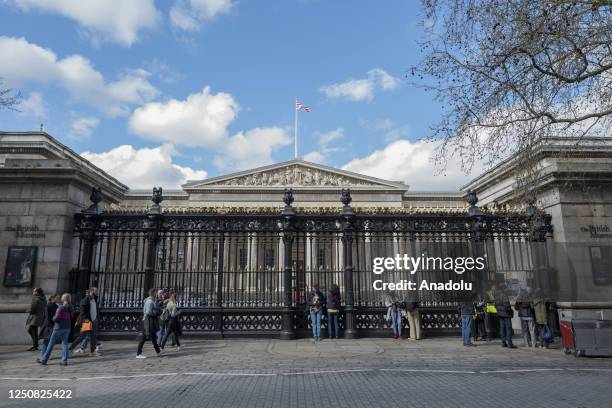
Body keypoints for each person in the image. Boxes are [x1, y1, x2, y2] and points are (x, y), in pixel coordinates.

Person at [38, 293, 74, 366]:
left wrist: (53, 317)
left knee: (51, 344)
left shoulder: (60, 307)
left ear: (63, 299)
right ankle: (64, 361)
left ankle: (44, 359)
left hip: (58, 328)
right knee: (64, 344)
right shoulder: (71, 307)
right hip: (67, 327)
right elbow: (71, 317)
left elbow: (56, 318)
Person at [70, 287, 101, 356]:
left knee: (94, 337)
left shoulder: (95, 299)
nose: (96, 292)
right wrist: (86, 319)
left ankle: (92, 352)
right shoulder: (85, 300)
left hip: (94, 320)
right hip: (87, 321)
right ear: (92, 291)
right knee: (82, 336)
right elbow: (82, 311)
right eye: (95, 291)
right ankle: (70, 349)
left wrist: (96, 318)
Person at [136, 288, 162, 359]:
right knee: (143, 338)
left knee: (153, 337)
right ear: (153, 293)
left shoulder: (152, 301)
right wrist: (156, 312)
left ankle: (158, 351)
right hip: (148, 321)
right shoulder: (149, 301)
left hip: (151, 321)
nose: (157, 294)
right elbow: (148, 312)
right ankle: (138, 353)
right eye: (156, 293)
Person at [494, 283, 517, 348]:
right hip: (506, 314)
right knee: (508, 328)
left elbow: (495, 305)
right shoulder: (504, 295)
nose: (507, 289)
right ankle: (509, 343)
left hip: (500, 314)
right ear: (503, 289)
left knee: (502, 328)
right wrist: (510, 310)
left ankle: (503, 342)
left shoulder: (496, 295)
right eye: (506, 288)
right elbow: (507, 306)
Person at [39, 294, 60, 361]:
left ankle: (45, 355)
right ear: (52, 298)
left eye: (58, 298)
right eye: (57, 298)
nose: (58, 299)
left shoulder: (56, 306)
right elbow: (47, 317)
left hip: (54, 325)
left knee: (50, 341)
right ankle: (43, 355)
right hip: (48, 326)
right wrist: (50, 326)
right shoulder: (48, 306)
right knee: (47, 341)